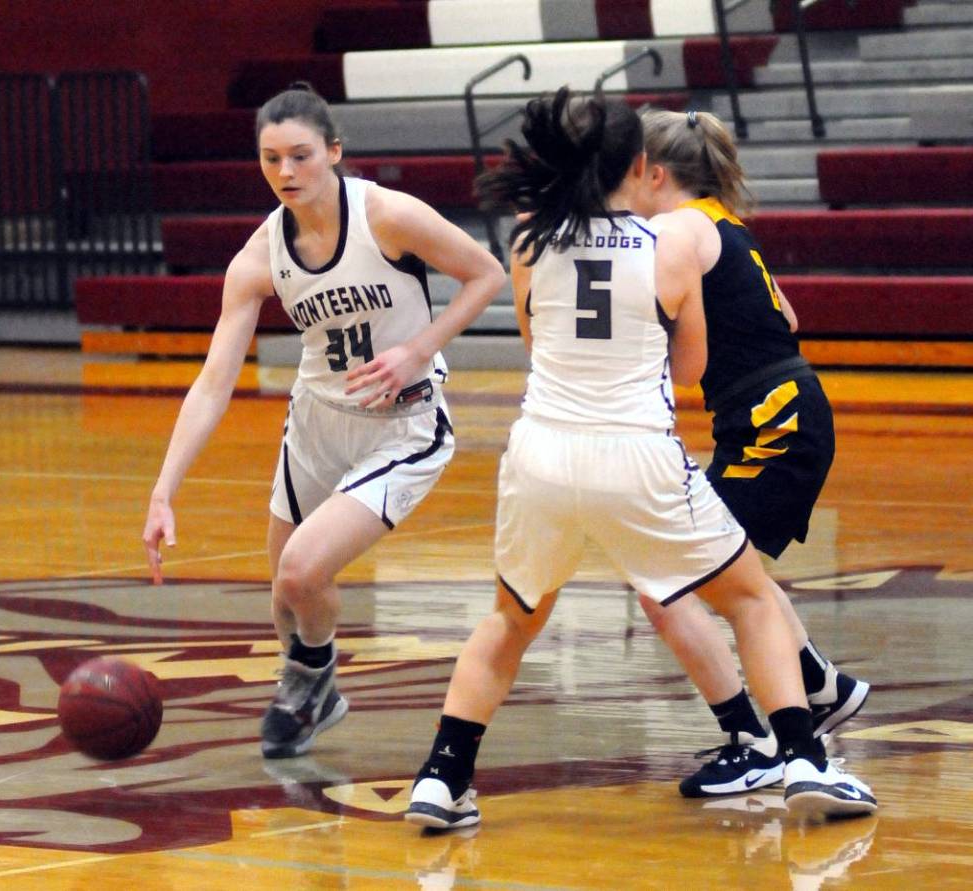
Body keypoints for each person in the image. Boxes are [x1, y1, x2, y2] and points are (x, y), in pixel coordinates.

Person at [404, 87, 876, 830]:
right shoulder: (670, 245)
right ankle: (803, 759)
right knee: (751, 600)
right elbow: (690, 368)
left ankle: (442, 777)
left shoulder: (528, 243)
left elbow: (535, 341)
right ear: (638, 166)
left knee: (510, 622)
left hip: (540, 456)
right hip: (636, 455)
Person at [141, 83, 506, 759]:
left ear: (334, 152)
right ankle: (313, 686)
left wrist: (418, 349)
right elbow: (214, 382)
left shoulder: (387, 215)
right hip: (315, 423)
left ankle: (312, 678)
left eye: (301, 155)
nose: (286, 172)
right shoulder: (259, 256)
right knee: (286, 595)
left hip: (403, 422)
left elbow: (487, 274)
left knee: (302, 571)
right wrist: (165, 489)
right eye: (271, 158)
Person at [629, 108, 869, 798]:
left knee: (674, 578)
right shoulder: (720, 223)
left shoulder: (676, 229)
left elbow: (674, 349)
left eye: (628, 173)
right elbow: (787, 316)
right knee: (725, 575)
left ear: (654, 174)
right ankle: (816, 685)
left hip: (772, 420)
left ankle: (759, 738)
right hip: (779, 410)